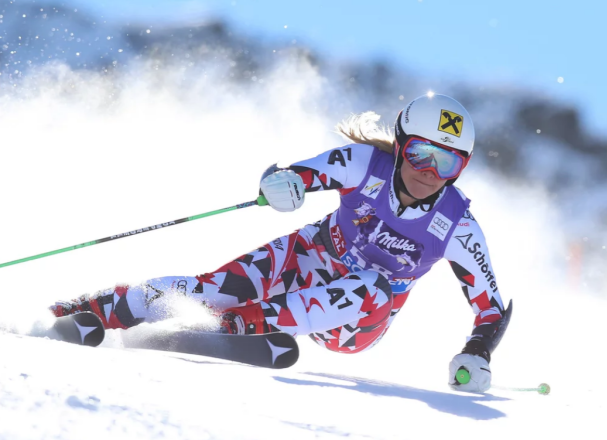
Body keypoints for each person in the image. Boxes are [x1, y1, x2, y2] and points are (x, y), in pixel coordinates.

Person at [50, 94, 512, 393]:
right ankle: (86, 310)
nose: (429, 172)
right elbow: (299, 174)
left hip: (354, 320)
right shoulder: (362, 163)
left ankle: (234, 327)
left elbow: (490, 307)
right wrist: (281, 185)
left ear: (461, 167)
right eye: (419, 153)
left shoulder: (457, 226)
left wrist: (477, 352)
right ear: (401, 144)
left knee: (373, 284)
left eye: (447, 163)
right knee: (209, 288)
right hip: (310, 256)